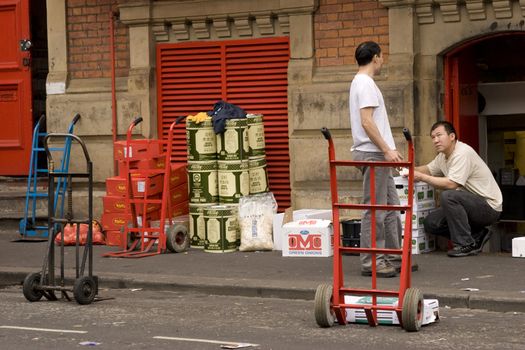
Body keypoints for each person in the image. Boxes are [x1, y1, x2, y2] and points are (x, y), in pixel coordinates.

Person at [349, 41, 403, 278]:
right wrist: (387, 150)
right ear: (375, 57)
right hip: (373, 153)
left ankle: (392, 255)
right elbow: (367, 122)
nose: (383, 60)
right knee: (376, 209)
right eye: (382, 56)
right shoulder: (366, 84)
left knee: (391, 206)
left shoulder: (361, 83)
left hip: (376, 152)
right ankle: (373, 261)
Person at [413, 121, 502, 257]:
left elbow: (451, 184)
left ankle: (465, 243)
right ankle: (478, 234)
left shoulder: (462, 153)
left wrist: (421, 177)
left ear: (452, 136)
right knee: (431, 223)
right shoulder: (442, 157)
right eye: (432, 137)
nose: (435, 140)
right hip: (470, 205)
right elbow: (428, 169)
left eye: (439, 135)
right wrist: (407, 169)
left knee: (449, 195)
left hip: (489, 207)